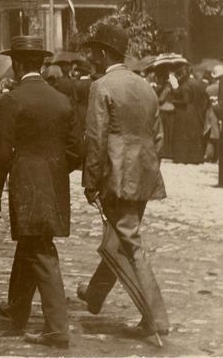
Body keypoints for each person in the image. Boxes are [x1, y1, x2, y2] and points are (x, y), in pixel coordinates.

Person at [0, 36, 79, 349]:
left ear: (20, 64)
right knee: (30, 242)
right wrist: (53, 169)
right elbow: (76, 150)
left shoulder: (13, 99)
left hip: (27, 182)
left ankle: (56, 327)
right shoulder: (62, 100)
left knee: (40, 250)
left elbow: (1, 151)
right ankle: (17, 308)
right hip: (53, 182)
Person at [77, 24, 169, 339]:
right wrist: (146, 166)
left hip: (116, 176)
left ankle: (156, 317)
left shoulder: (101, 86)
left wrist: (90, 181)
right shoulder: (146, 86)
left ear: (103, 54)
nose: (90, 60)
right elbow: (158, 137)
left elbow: (96, 138)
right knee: (119, 238)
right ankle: (94, 295)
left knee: (129, 243)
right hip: (144, 174)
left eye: (92, 54)